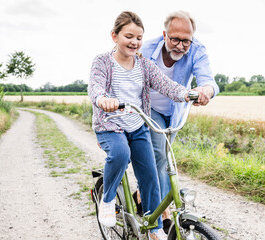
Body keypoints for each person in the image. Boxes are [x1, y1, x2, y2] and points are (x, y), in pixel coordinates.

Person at [88, 11, 195, 240]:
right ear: (114, 36)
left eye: (138, 38)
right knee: (120, 153)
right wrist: (103, 100)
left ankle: (154, 226)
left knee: (150, 176)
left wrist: (187, 94)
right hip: (110, 125)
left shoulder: (144, 65)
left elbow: (166, 84)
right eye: (129, 36)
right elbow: (95, 87)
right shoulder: (102, 62)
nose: (134, 42)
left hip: (137, 125)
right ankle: (107, 200)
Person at [139, 10, 219, 232]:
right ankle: (159, 216)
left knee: (163, 161)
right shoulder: (145, 50)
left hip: (175, 111)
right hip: (149, 108)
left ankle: (145, 196)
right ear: (164, 35)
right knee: (160, 156)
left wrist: (205, 90)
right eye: (175, 39)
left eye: (186, 41)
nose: (180, 46)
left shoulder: (197, 50)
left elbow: (209, 81)